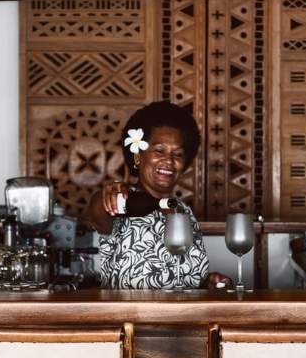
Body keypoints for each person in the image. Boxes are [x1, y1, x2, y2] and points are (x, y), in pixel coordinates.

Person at [88, 101, 232, 290]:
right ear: (138, 156)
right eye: (159, 150)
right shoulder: (122, 201)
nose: (169, 161)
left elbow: (185, 276)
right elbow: (98, 211)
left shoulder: (182, 210)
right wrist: (106, 195)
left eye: (178, 154)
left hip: (181, 317)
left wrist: (207, 284)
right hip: (131, 318)